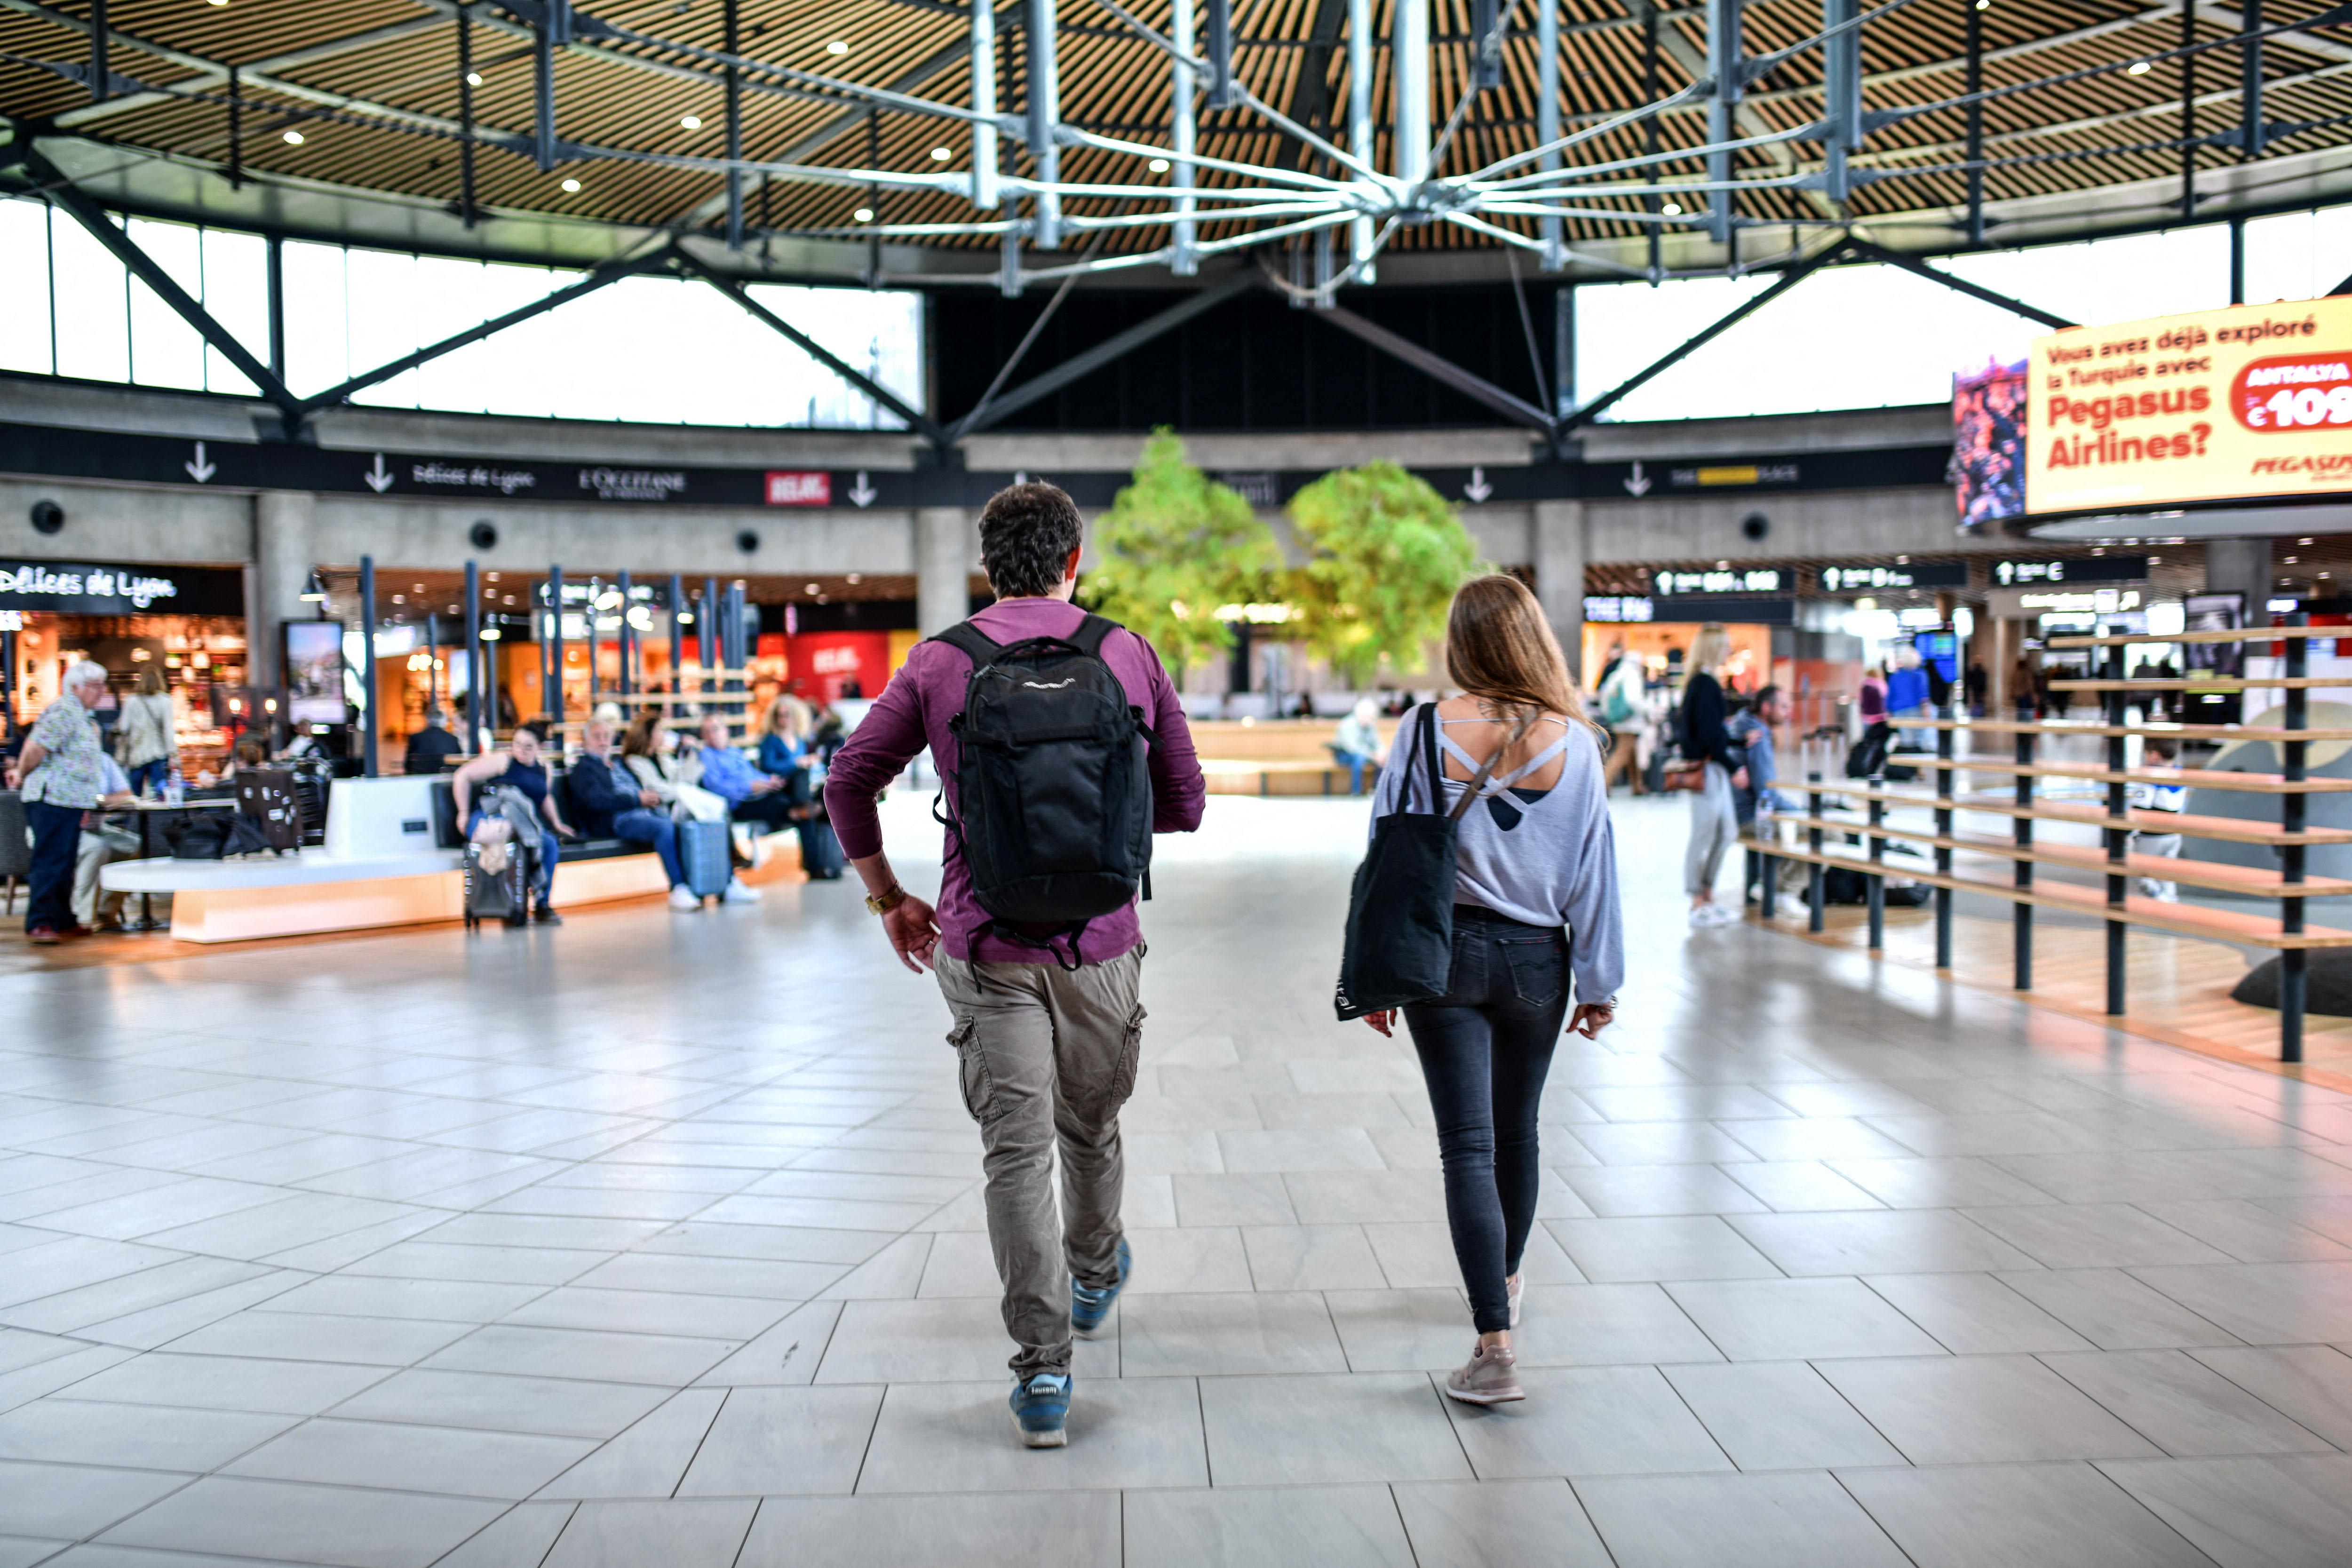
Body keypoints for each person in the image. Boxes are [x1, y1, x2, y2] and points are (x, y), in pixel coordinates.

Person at [823, 480, 1206, 1451]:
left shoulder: (941, 660)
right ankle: (1094, 1272)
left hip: (985, 942)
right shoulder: (1127, 651)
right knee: (1091, 1124)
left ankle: (1041, 1373)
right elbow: (1186, 804)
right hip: (1102, 942)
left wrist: (889, 896)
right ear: (1074, 561)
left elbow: (849, 780)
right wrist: (1095, 825)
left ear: (988, 567)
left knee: (1015, 1151)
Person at [1358, 575, 1622, 1408]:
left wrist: (1378, 969)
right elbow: (1595, 868)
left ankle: (1495, 1346)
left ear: (1461, 643)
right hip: (1539, 960)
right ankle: (1503, 1283)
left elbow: (1387, 851)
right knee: (1518, 1133)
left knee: (1468, 1147)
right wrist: (1600, 982)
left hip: (1443, 956)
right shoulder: (1579, 742)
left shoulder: (1423, 729)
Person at [5, 660, 110, 944]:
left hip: (71, 800)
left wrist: (85, 803)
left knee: (65, 862)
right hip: (52, 797)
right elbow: (35, 747)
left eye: (103, 685)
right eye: (95, 686)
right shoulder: (64, 711)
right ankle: (39, 922)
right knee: (50, 860)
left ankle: (64, 920)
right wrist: (21, 774)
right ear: (75, 687)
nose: (102, 691)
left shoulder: (83, 716)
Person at [571, 717, 706, 911]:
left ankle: (698, 885)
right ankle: (678, 887)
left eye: (607, 736)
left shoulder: (617, 764)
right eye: (597, 737)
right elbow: (596, 800)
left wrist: (648, 798)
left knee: (686, 825)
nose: (603, 741)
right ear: (585, 742)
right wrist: (637, 799)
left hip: (643, 813)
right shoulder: (583, 769)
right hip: (616, 820)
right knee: (663, 828)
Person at [450, 721, 572, 924]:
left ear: (539, 747)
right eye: (517, 744)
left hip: (524, 822)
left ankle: (542, 904)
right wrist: (462, 813)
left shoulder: (545, 768)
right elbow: (462, 776)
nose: (521, 750)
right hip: (491, 816)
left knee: (549, 843)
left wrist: (557, 823)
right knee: (510, 837)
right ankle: (511, 904)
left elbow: (545, 798)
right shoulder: (504, 760)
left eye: (528, 746)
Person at [1679, 625, 1750, 928]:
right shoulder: (1704, 684)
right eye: (1724, 646)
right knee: (1706, 834)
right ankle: (1698, 899)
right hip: (1708, 769)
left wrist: (1738, 743)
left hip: (1713, 767)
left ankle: (1707, 895)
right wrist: (1735, 768)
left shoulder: (1703, 682)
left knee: (1725, 832)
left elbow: (1712, 732)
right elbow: (1709, 735)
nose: (1729, 651)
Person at [1730, 685, 1795, 901]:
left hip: (1734, 814)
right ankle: (1782, 891)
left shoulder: (1741, 724)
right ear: (1767, 708)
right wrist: (1803, 812)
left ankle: (1763, 886)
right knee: (1827, 833)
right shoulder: (1758, 737)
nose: (1788, 713)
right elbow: (1767, 795)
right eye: (1783, 707)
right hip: (1749, 818)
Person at [688, 712, 794, 845]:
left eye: (715, 729)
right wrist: (751, 786)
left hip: (760, 792)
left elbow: (752, 773)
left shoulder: (735, 752)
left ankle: (806, 807)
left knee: (798, 777)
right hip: (741, 803)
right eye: (706, 732)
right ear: (703, 736)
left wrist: (769, 780)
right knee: (787, 805)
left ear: (726, 730)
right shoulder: (706, 756)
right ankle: (805, 811)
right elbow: (715, 786)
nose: (712, 735)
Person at [73, 752, 141, 931]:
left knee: (134, 845)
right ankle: (84, 918)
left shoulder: (103, 760)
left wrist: (99, 799)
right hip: (64, 829)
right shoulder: (65, 759)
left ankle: (106, 911)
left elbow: (126, 795)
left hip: (96, 827)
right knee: (96, 847)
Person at [2130, 738, 2186, 901]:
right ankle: (2171, 903)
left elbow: (2140, 806)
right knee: (2166, 874)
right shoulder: (2180, 773)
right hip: (2174, 833)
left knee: (2139, 873)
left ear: (2154, 755)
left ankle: (2162, 901)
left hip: (2152, 835)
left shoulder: (2150, 777)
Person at [1593, 645, 1651, 796]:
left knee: (1631, 753)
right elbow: (1634, 699)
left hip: (1618, 720)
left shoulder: (1616, 674)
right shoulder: (1632, 675)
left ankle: (1638, 785)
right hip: (1630, 721)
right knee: (1623, 753)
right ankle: (1604, 784)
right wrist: (1649, 710)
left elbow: (1604, 698)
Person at [114, 666, 176, 798]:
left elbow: (124, 727)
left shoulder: (131, 701)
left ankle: (138, 812)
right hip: (158, 754)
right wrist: (173, 754)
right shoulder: (165, 701)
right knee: (161, 795)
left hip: (136, 755)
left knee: (134, 797)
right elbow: (168, 731)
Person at [1329, 698, 1386, 795]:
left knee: (1383, 758)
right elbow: (1353, 748)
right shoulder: (1348, 725)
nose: (1369, 719)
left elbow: (1377, 743)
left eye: (1371, 717)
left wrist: (1381, 752)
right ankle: (1356, 791)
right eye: (1367, 716)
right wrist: (1373, 756)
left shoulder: (1371, 724)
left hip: (1365, 754)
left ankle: (1377, 789)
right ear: (1358, 714)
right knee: (1359, 758)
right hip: (1344, 755)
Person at [405, 707, 463, 775]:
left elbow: (408, 765)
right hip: (445, 778)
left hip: (419, 776)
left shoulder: (415, 738)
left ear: (427, 720)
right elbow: (459, 763)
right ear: (444, 722)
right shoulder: (453, 739)